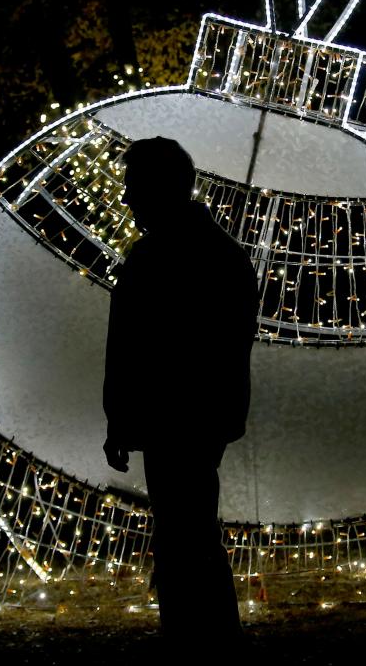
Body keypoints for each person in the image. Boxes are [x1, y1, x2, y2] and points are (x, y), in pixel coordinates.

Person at [102, 136, 258, 645]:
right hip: (205, 414)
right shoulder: (225, 255)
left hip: (171, 417)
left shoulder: (153, 258)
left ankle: (197, 639)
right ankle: (210, 636)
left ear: (155, 189)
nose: (126, 199)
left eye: (132, 188)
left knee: (182, 533)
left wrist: (121, 418)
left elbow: (129, 346)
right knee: (191, 528)